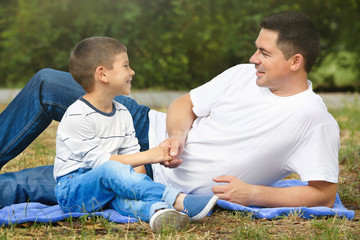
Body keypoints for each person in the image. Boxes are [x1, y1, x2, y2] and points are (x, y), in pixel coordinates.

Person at [0, 11, 339, 210]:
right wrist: (177, 135)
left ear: (296, 61)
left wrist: (253, 193)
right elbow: (184, 104)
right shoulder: (242, 75)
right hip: (143, 125)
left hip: (145, 176)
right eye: (255, 50)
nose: (253, 59)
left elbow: (324, 194)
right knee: (47, 82)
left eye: (264, 53)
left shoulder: (312, 119)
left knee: (15, 187)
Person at [50, 36, 218, 231]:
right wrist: (151, 155)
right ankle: (177, 199)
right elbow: (100, 164)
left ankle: (160, 212)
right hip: (74, 192)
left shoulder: (122, 112)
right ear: (102, 74)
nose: (132, 71)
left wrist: (139, 178)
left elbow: (134, 159)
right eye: (125, 66)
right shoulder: (77, 115)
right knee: (110, 170)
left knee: (125, 196)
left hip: (110, 187)